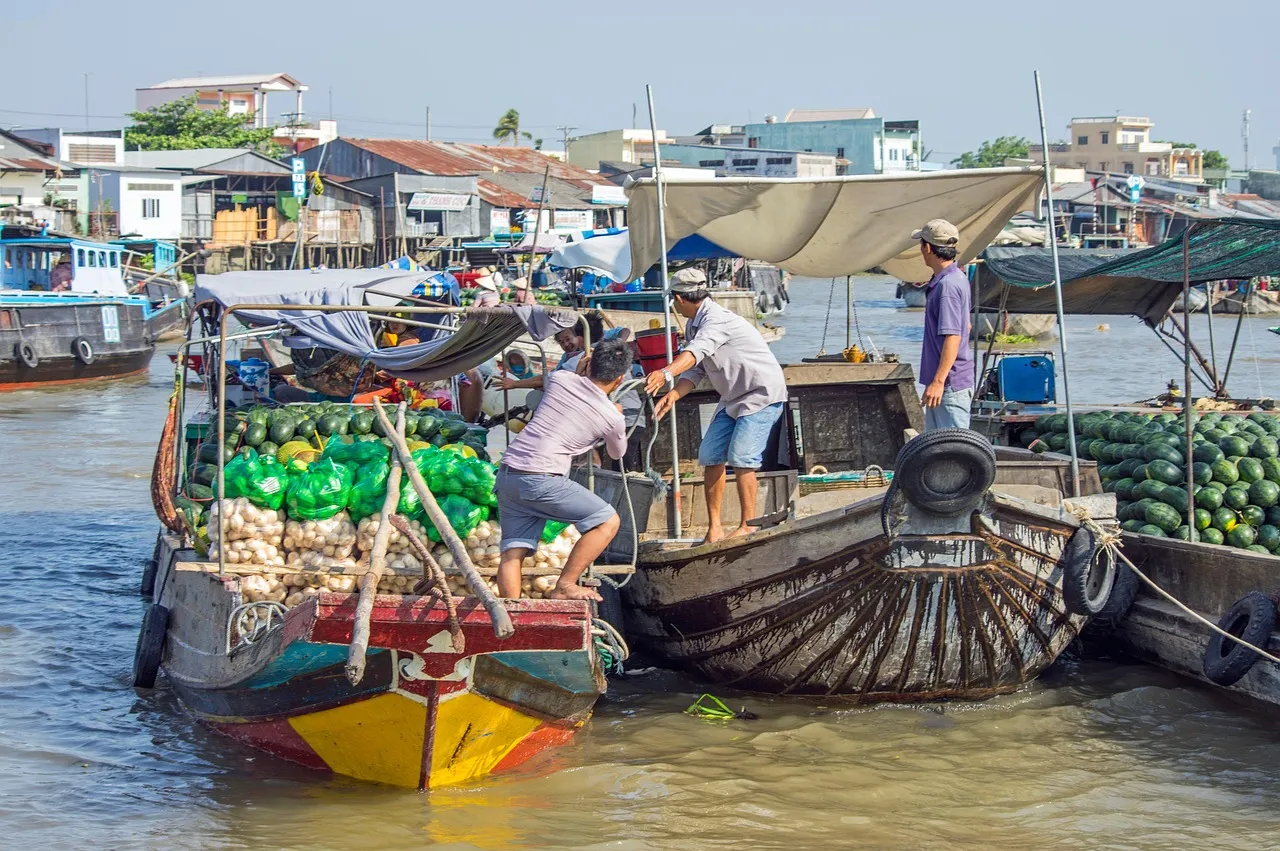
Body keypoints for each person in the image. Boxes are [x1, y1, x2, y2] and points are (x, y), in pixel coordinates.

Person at [645, 267, 787, 544]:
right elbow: (696, 369)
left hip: (760, 393)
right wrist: (673, 394)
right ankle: (715, 528)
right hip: (733, 397)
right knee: (710, 455)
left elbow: (693, 353)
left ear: (680, 298)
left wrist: (665, 373)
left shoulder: (716, 320)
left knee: (742, 458)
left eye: (674, 300)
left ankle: (748, 525)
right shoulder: (693, 324)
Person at [494, 338, 631, 602]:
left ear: (588, 364)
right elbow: (617, 454)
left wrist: (582, 371)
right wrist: (618, 416)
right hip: (542, 478)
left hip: (509, 474)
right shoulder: (611, 416)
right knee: (607, 521)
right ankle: (565, 584)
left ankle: (511, 615)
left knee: (513, 552)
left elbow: (569, 375)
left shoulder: (560, 380)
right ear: (621, 379)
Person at [911, 219, 974, 431]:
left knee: (954, 453)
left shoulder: (947, 286)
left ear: (927, 248)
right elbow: (966, 327)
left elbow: (954, 336)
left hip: (948, 385)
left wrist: (938, 382)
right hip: (946, 384)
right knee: (937, 454)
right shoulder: (956, 277)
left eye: (921, 245)